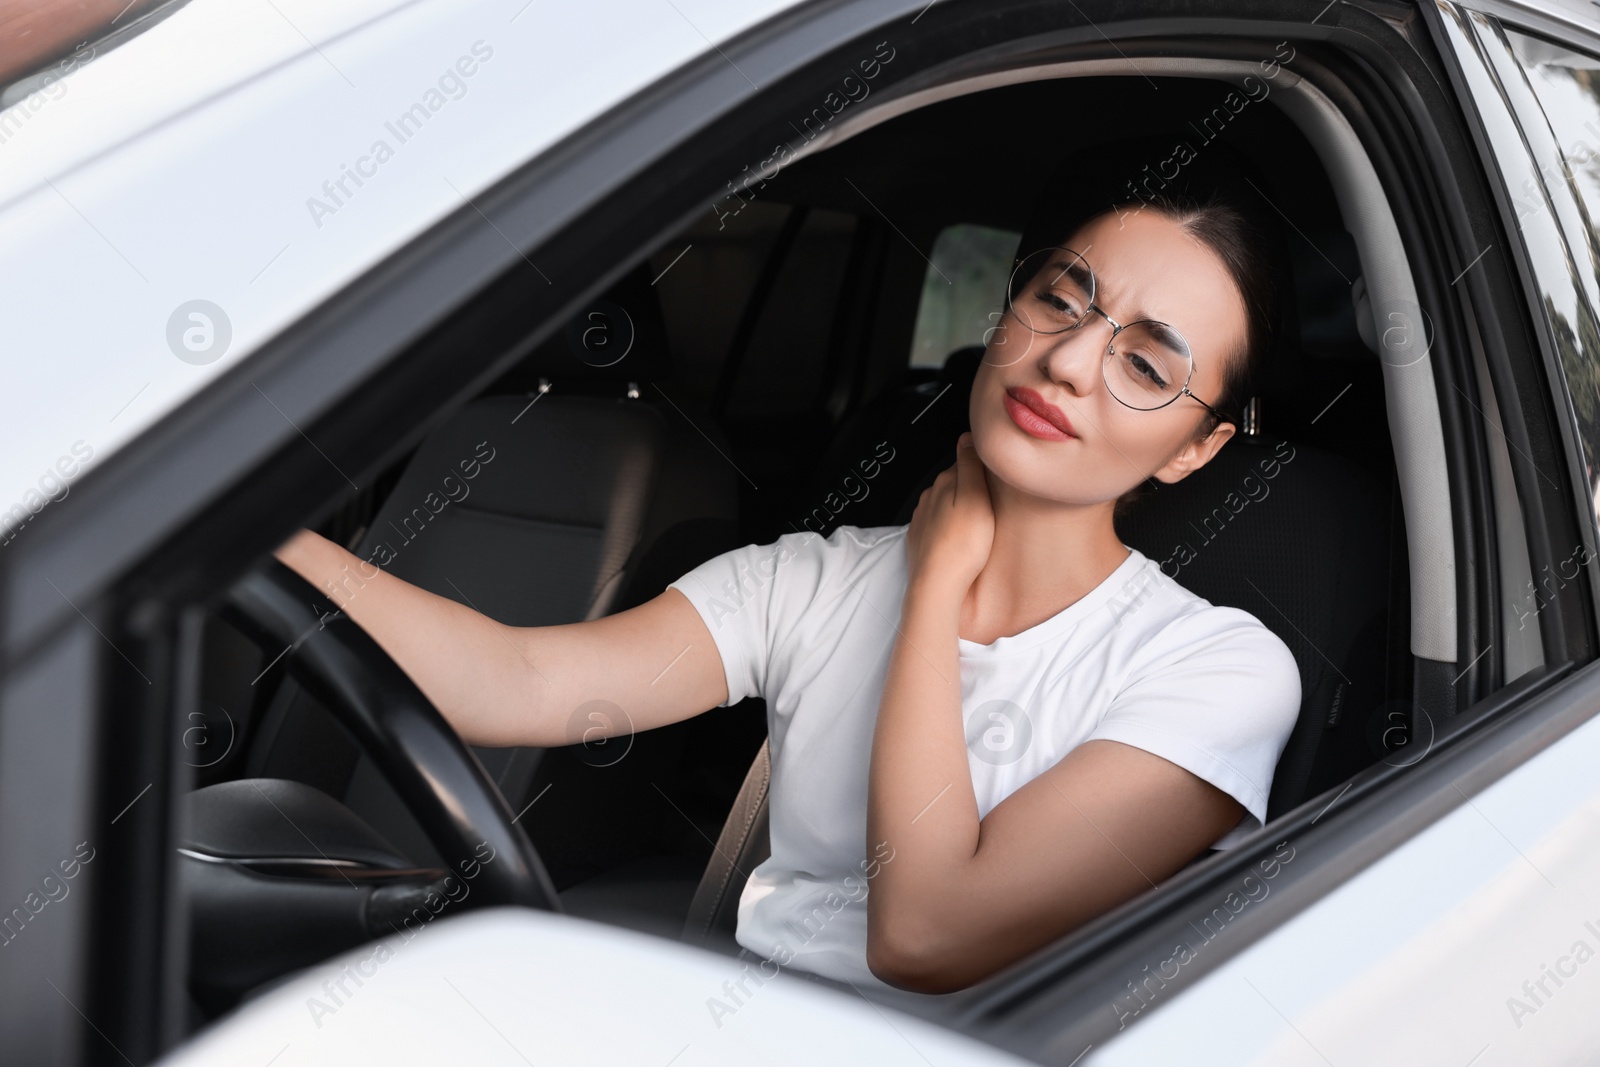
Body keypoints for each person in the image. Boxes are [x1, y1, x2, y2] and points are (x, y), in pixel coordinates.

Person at [271, 137, 1302, 998]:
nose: (1068, 361)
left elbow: (926, 933)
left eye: (1144, 365)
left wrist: (936, 583)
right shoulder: (814, 578)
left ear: (1191, 449)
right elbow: (515, 678)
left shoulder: (1214, 668)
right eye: (1061, 300)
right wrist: (256, 536)